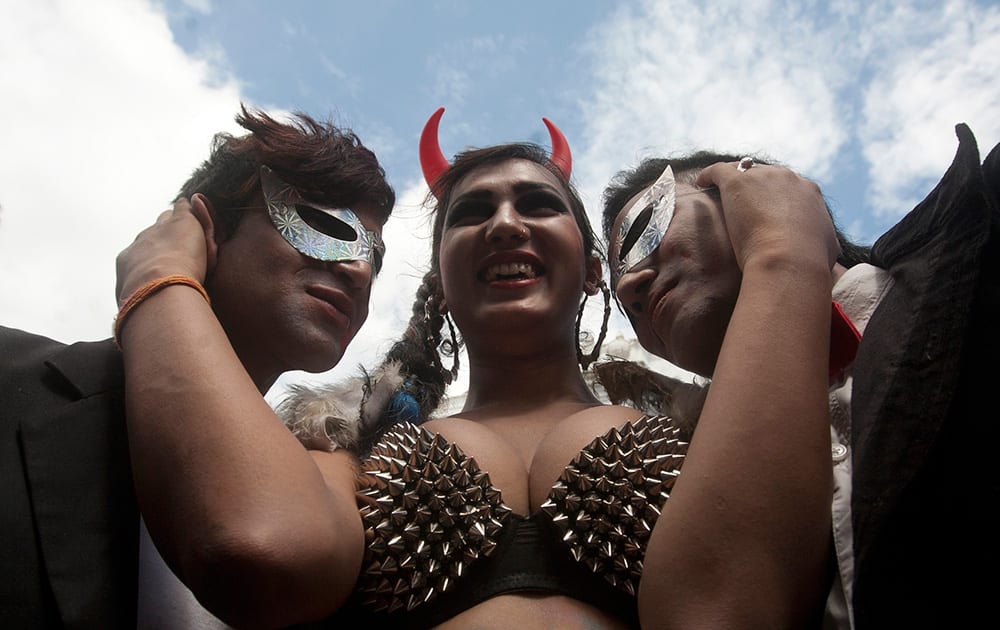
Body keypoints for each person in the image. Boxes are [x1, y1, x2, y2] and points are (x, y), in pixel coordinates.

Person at [118, 106, 838, 628]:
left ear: (594, 271)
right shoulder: (355, 445)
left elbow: (738, 607)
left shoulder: (716, 425)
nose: (503, 222)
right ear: (441, 276)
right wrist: (161, 280)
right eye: (471, 214)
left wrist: (783, 257)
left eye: (537, 203)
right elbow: (261, 553)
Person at [0, 105, 394, 629]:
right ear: (201, 226)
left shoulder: (339, 506)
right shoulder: (10, 382)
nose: (358, 270)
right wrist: (162, 278)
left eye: (376, 257)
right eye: (323, 226)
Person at [600, 123, 1000, 629]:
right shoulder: (671, 475)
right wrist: (781, 261)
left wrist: (783, 245)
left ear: (749, 186)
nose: (632, 285)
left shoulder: (988, 240)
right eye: (622, 302)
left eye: (644, 231)